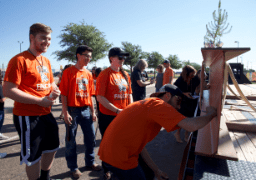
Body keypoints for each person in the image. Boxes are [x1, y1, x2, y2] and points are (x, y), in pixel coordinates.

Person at [98, 84, 217, 180]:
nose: (179, 107)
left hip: (112, 153)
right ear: (168, 96)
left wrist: (156, 170)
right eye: (178, 101)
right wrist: (212, 114)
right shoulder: (158, 105)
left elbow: (141, 147)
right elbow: (191, 126)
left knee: (149, 174)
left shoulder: (150, 106)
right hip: (119, 157)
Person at [3, 23, 61, 180]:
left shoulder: (46, 61)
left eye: (49, 39)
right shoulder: (19, 60)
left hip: (46, 113)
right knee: (33, 157)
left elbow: (50, 83)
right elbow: (8, 90)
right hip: (27, 116)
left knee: (52, 148)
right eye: (43, 38)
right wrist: (39, 101)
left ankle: (45, 177)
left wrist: (54, 90)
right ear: (32, 37)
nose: (47, 42)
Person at [59, 45, 101, 179]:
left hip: (86, 110)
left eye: (90, 56)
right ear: (78, 55)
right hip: (72, 110)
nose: (89, 58)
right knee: (71, 141)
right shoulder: (68, 72)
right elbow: (63, 94)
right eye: (86, 55)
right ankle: (73, 167)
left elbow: (90, 95)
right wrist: (65, 112)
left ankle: (90, 162)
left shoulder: (89, 74)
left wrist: (93, 112)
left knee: (90, 139)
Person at [96, 47, 133, 179]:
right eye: (120, 57)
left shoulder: (125, 74)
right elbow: (100, 97)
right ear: (112, 58)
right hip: (108, 116)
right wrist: (117, 110)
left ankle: (120, 166)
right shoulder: (105, 74)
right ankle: (107, 169)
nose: (123, 60)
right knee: (109, 144)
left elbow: (129, 94)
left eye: (124, 57)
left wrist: (130, 109)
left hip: (123, 115)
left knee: (122, 143)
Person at [174, 65, 197, 143]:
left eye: (194, 74)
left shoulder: (193, 79)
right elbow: (174, 90)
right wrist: (184, 93)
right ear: (187, 73)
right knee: (182, 119)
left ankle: (186, 135)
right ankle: (177, 134)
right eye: (191, 74)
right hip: (182, 102)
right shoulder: (180, 80)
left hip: (191, 101)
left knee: (189, 119)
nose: (193, 76)